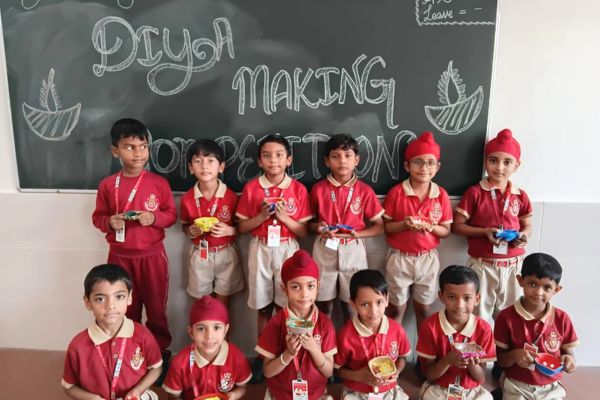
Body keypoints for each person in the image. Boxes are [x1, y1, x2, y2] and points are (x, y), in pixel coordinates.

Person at [92, 118, 177, 358]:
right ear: (115, 151)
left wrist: (155, 218)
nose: (138, 153)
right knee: (125, 308)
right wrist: (110, 222)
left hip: (152, 256)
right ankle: (129, 352)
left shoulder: (159, 183)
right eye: (130, 147)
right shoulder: (108, 185)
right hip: (119, 258)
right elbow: (98, 217)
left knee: (156, 309)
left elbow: (171, 215)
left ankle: (158, 352)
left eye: (143, 146)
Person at [236, 134, 312, 377]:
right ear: (260, 161)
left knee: (287, 305)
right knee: (262, 307)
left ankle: (285, 353)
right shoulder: (252, 188)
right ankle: (263, 356)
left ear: (288, 159)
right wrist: (261, 217)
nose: (273, 160)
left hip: (287, 248)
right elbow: (241, 228)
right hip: (260, 248)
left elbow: (304, 231)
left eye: (279, 155)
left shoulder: (298, 189)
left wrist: (284, 217)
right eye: (267, 156)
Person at [453, 129, 533, 323]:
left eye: (507, 162)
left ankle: (503, 345)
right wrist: (484, 232)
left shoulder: (520, 195)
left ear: (517, 165)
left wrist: (523, 235)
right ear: (485, 161)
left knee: (511, 319)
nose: (499, 167)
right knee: (479, 317)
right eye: (493, 160)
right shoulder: (475, 193)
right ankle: (483, 345)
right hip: (483, 266)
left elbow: (527, 225)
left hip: (513, 267)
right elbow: (457, 226)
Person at [310, 134, 384, 321]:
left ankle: (349, 339)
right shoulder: (318, 189)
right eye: (335, 156)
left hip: (353, 248)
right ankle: (325, 339)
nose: (342, 161)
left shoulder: (364, 190)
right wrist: (319, 227)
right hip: (326, 246)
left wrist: (358, 234)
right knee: (323, 303)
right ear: (327, 161)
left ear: (356, 160)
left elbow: (379, 227)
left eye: (348, 156)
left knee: (351, 304)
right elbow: (308, 225)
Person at [382, 131, 452, 330]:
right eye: (418, 162)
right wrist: (404, 224)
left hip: (427, 259)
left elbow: (446, 230)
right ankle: (394, 348)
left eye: (430, 163)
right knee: (395, 309)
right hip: (399, 258)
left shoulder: (441, 195)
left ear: (437, 167)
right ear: (407, 166)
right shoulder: (396, 193)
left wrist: (431, 227)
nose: (424, 168)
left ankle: (424, 350)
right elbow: (387, 227)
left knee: (424, 310)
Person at [62, 264, 162, 400]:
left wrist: (138, 390)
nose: (111, 306)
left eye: (119, 296)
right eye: (100, 299)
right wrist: (93, 399)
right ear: (88, 302)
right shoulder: (77, 346)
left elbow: (156, 368)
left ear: (129, 297)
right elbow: (69, 387)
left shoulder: (143, 335)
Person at [494, 253, 579, 399]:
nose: (538, 292)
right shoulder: (506, 317)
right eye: (532, 284)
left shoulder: (562, 318)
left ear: (556, 290)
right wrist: (515, 355)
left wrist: (569, 361)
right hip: (516, 385)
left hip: (550, 387)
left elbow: (569, 354)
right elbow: (501, 360)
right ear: (520, 281)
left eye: (547, 287)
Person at [256, 250, 337, 400]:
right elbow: (268, 372)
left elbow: (328, 372)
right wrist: (288, 355)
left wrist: (314, 349)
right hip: (281, 395)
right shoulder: (276, 324)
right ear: (284, 289)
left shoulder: (325, 324)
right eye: (295, 287)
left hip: (315, 395)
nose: (304, 294)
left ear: (318, 287)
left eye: (310, 286)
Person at [180, 139, 243, 310]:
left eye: (210, 160)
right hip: (200, 253)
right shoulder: (187, 198)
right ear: (190, 168)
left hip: (225, 252)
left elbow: (242, 227)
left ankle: (223, 329)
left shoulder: (231, 196)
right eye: (198, 161)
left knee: (223, 303)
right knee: (202, 302)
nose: (204, 166)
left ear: (221, 167)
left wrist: (230, 230)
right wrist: (190, 231)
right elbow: (184, 226)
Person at [416, 265, 495, 400]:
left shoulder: (484, 329)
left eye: (467, 298)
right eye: (452, 297)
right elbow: (429, 375)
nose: (459, 305)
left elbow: (481, 378)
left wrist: (472, 364)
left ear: (477, 299)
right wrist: (447, 360)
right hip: (439, 388)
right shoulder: (430, 326)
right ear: (441, 296)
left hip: (471, 390)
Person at [335, 269, 411, 400]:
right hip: (356, 391)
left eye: (379, 302)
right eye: (365, 304)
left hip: (388, 389)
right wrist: (359, 376)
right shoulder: (345, 335)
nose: (373, 311)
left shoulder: (396, 329)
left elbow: (402, 358)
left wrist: (397, 372)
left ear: (387, 300)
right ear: (353, 304)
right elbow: (336, 370)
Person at [162, 296, 251, 400]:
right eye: (201, 329)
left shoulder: (237, 357)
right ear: (191, 333)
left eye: (216, 328)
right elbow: (173, 397)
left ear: (225, 330)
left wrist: (234, 395)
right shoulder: (179, 364)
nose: (209, 336)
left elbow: (242, 387)